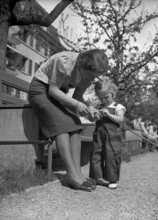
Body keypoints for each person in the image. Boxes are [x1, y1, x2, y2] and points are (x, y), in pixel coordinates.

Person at [28, 49, 109, 192]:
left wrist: (90, 109)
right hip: (40, 91)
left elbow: (78, 97)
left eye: (95, 77)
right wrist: (77, 105)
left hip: (56, 95)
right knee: (64, 123)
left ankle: (78, 173)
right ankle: (71, 173)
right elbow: (53, 90)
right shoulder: (64, 61)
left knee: (76, 123)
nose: (92, 80)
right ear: (81, 66)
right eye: (91, 76)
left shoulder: (87, 75)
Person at [88, 77, 126, 189]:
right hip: (99, 134)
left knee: (111, 155)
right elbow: (91, 120)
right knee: (96, 154)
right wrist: (94, 116)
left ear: (112, 94)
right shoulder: (99, 106)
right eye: (101, 98)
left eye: (106, 97)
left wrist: (108, 115)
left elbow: (120, 119)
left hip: (113, 135)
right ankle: (96, 177)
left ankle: (112, 179)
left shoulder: (118, 107)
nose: (104, 101)